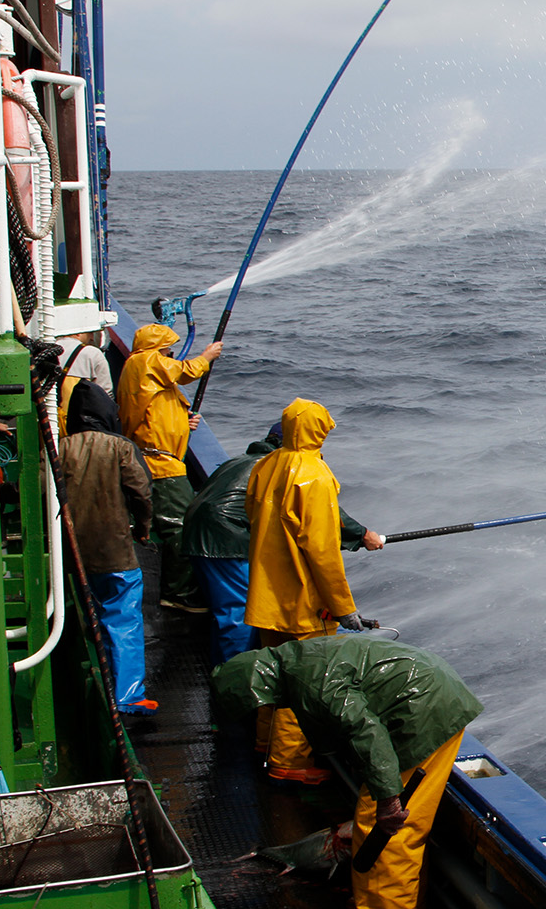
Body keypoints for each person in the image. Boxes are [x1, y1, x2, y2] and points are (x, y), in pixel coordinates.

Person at [211, 636, 482, 909]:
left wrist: (387, 799)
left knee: (382, 831)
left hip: (419, 712)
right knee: (402, 827)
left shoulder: (313, 683)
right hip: (431, 693)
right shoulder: (296, 658)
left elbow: (367, 734)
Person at [183, 417, 383, 666]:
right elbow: (324, 518)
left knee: (229, 610)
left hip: (194, 531)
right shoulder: (287, 468)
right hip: (226, 539)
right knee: (237, 615)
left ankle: (232, 670)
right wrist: (363, 535)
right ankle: (234, 676)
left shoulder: (244, 461)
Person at [243, 396, 365, 783]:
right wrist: (343, 606)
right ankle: (288, 762)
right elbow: (322, 549)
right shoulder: (314, 474)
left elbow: (252, 512)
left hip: (266, 593)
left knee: (272, 672)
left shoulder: (266, 464)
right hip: (302, 601)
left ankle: (264, 742)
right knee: (305, 681)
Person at [58, 381, 157, 715]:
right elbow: (141, 492)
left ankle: (91, 681)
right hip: (116, 552)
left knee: (88, 615)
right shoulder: (120, 448)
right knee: (124, 619)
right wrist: (142, 530)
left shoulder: (60, 447)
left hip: (73, 555)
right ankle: (127, 696)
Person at [117, 323, 222, 613]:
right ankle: (178, 592)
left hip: (159, 458)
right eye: (169, 350)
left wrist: (183, 422)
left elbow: (155, 413)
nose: (171, 355)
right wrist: (207, 356)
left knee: (160, 525)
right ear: (158, 349)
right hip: (161, 465)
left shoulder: (145, 374)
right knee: (180, 528)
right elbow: (185, 371)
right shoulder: (144, 361)